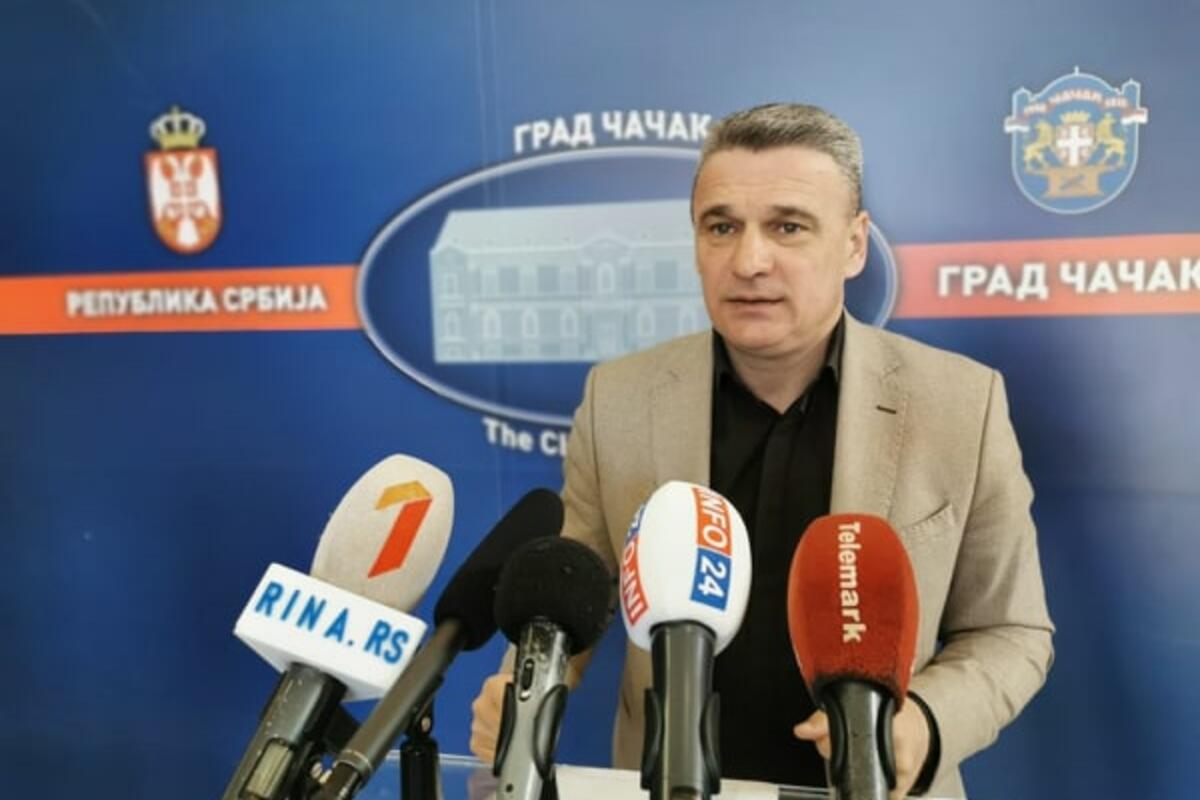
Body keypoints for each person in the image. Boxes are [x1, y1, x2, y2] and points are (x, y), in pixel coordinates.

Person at [469, 103, 1054, 798]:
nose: (748, 262)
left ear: (854, 245)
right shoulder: (617, 399)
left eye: (789, 226)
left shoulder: (961, 404)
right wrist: (524, 684)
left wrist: (925, 724)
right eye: (722, 227)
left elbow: (1011, 630)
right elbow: (573, 597)